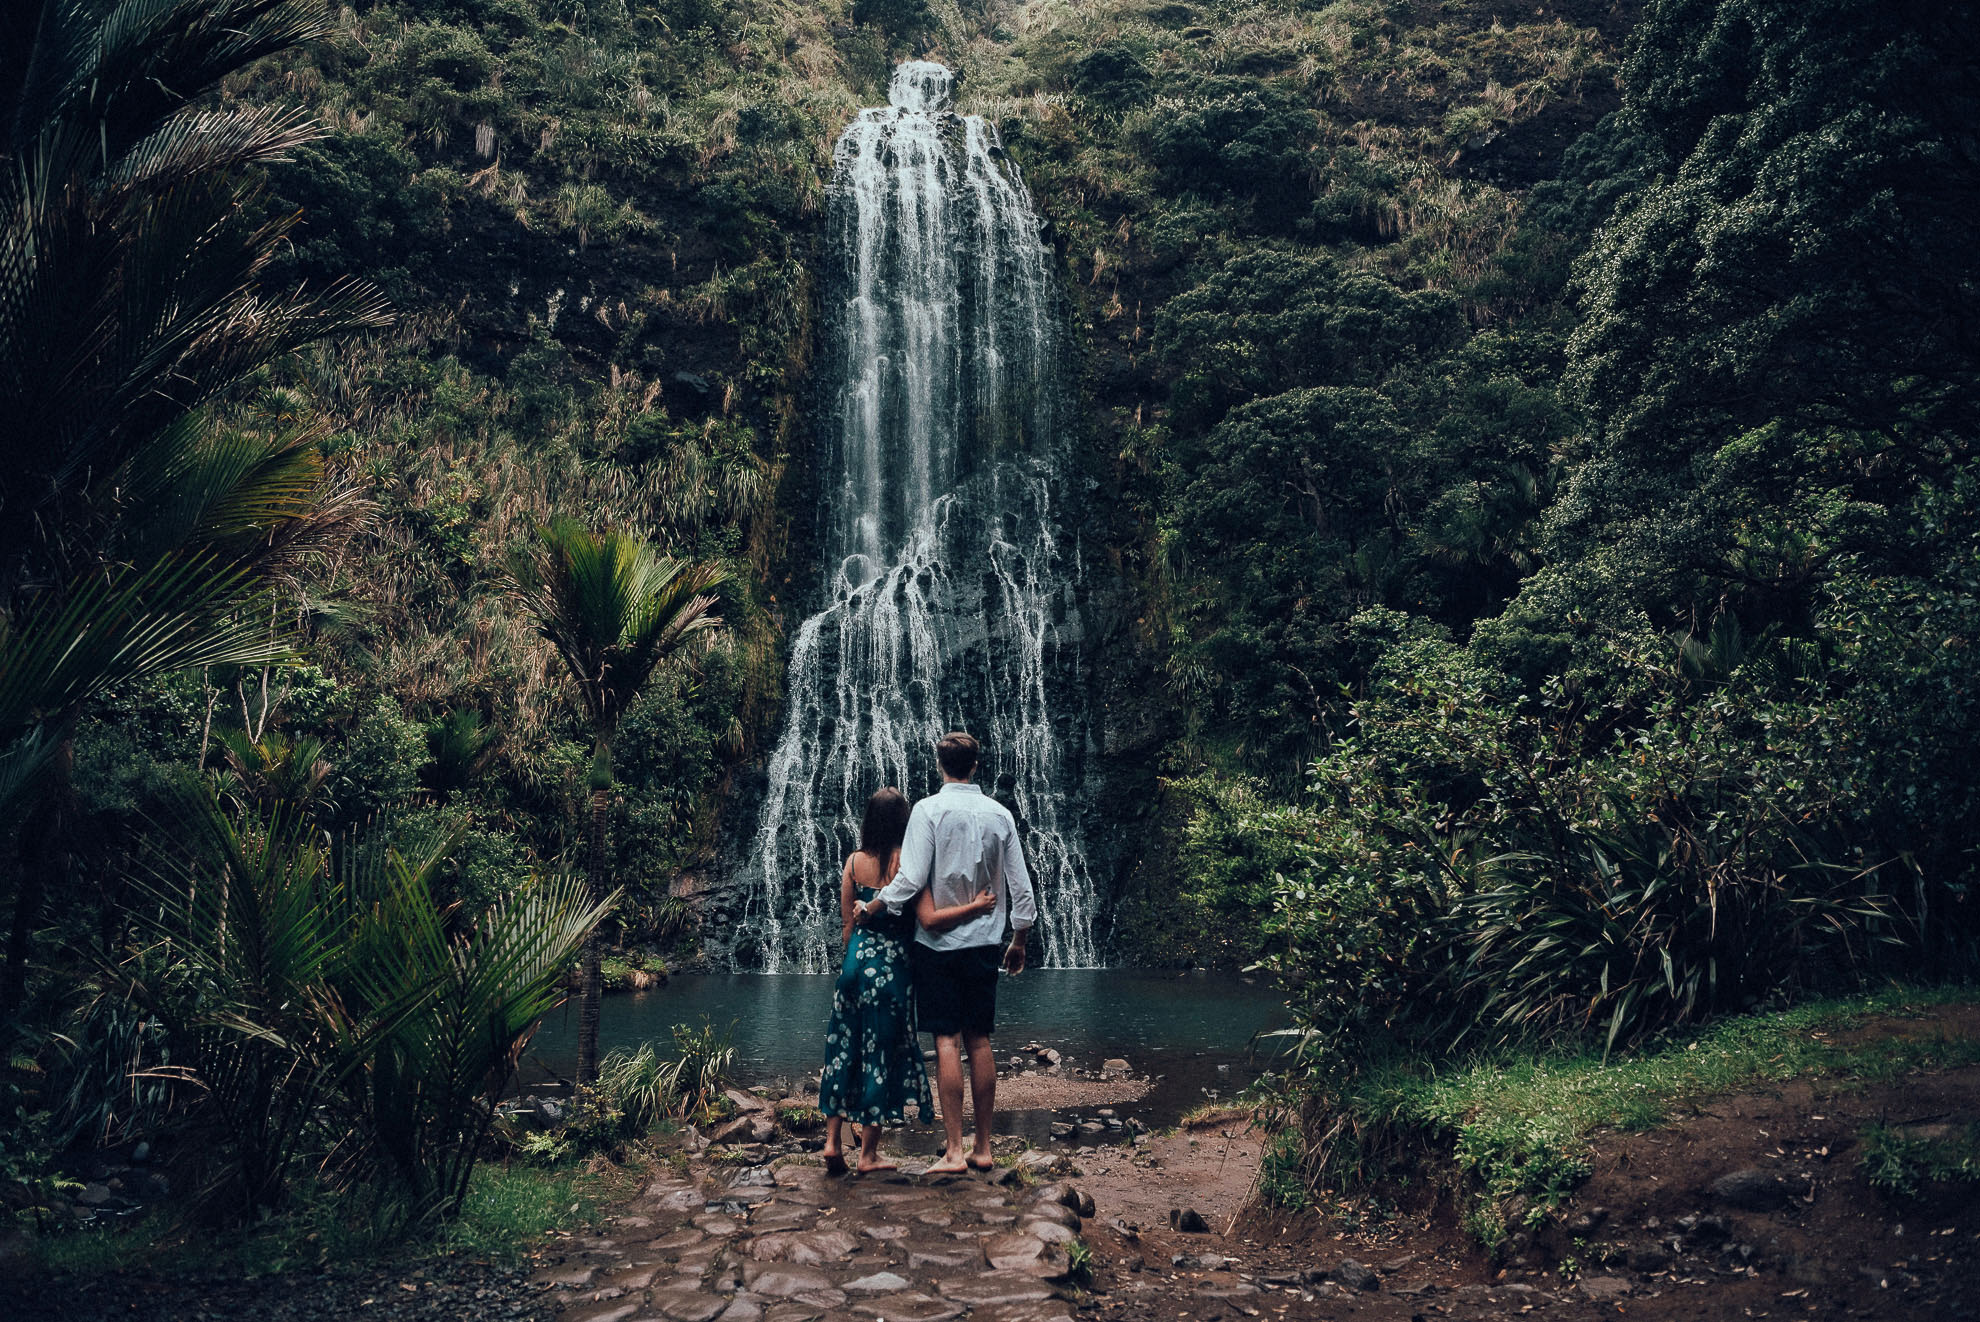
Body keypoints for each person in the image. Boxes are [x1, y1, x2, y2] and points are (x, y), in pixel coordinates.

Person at [860, 732, 1035, 1175]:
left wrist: (876, 905)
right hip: (984, 944)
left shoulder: (928, 810)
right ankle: (984, 1148)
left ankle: (954, 1150)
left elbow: (912, 876)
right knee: (979, 1039)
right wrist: (1019, 938)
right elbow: (1020, 885)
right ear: (975, 766)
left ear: (940, 765)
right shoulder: (1000, 814)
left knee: (946, 1042)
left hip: (936, 947)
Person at [819, 787, 997, 1175]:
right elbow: (927, 918)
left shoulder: (851, 863)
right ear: (905, 821)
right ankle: (867, 1154)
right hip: (892, 970)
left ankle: (833, 1143)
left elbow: (849, 925)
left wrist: (850, 967)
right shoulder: (907, 862)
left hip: (854, 968)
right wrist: (977, 909)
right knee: (880, 1054)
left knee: (844, 1050)